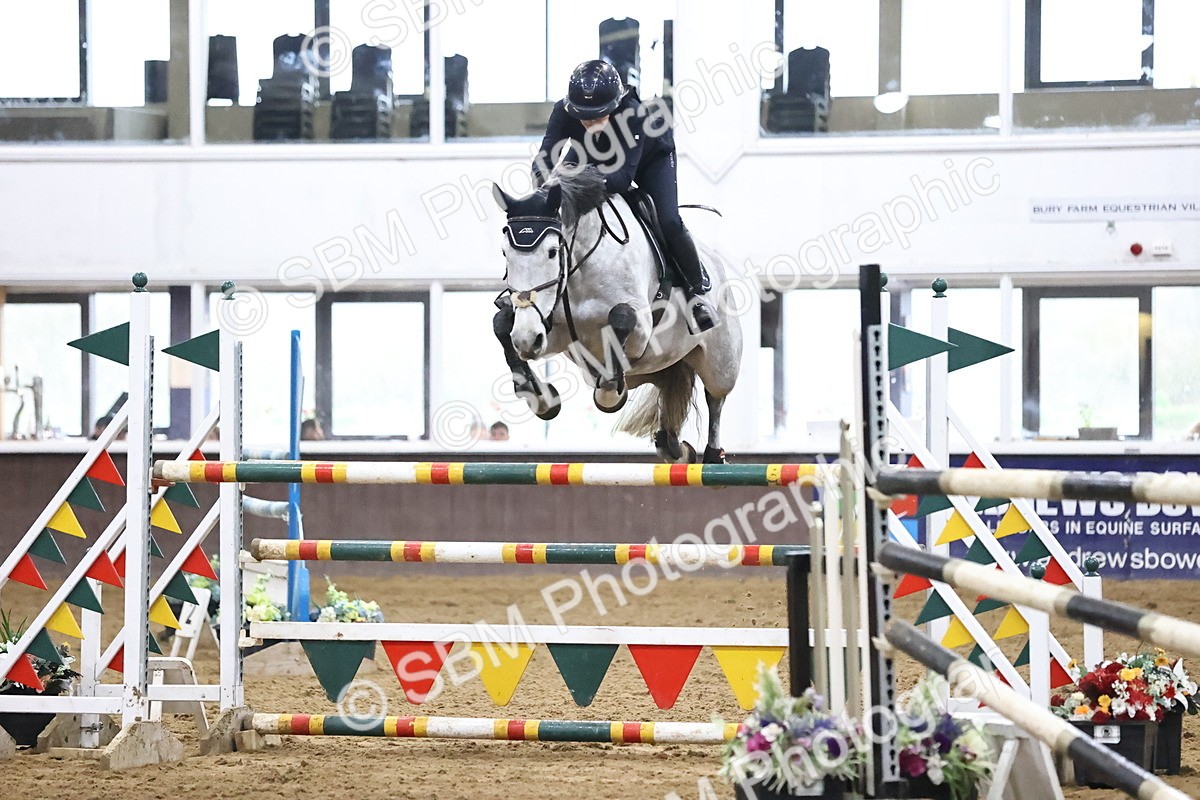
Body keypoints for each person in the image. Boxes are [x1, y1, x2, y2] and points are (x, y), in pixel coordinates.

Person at [531, 59, 715, 331]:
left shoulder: (634, 114)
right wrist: (542, 192)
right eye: (584, 116)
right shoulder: (563, 111)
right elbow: (546, 157)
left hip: (650, 159)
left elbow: (622, 178)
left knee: (668, 219)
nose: (591, 122)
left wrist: (571, 185)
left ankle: (696, 292)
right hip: (592, 153)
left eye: (599, 115)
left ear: (615, 105)